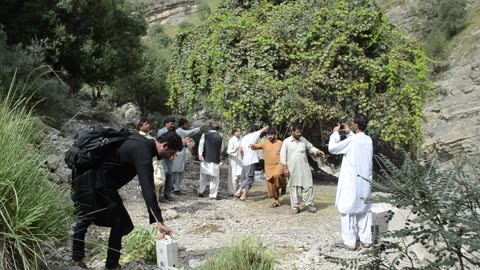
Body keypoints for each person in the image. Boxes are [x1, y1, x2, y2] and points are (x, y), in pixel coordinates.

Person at [71, 131, 183, 270]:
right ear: (165, 145)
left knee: (86, 217)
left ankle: (78, 259)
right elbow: (148, 189)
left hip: (87, 177)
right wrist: (159, 221)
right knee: (120, 223)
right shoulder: (143, 152)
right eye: (171, 153)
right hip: (98, 183)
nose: (171, 157)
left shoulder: (139, 141)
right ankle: (110, 265)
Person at [328, 114, 373, 251]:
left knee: (346, 208)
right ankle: (366, 240)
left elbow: (332, 148)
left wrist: (335, 134)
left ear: (356, 125)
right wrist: (349, 133)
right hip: (365, 181)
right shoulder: (368, 140)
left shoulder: (353, 141)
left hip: (351, 180)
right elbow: (356, 141)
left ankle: (350, 242)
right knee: (364, 209)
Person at [280, 124, 325, 214]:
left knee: (308, 186)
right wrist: (285, 168)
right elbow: (282, 156)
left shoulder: (303, 140)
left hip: (304, 167)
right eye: (297, 132)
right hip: (292, 168)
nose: (299, 133)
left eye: (300, 132)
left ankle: (309, 205)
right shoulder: (287, 142)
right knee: (293, 187)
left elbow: (310, 147)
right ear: (292, 132)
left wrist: (318, 151)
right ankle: (295, 207)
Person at [250, 128, 285, 208]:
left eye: (272, 135)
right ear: (267, 136)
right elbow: (256, 146)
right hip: (268, 167)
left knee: (277, 175)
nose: (270, 136)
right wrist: (252, 146)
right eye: (269, 135)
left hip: (279, 165)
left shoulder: (280, 143)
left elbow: (287, 149)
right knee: (271, 185)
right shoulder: (265, 143)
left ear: (275, 135)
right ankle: (277, 201)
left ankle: (283, 184)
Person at [234, 125, 269, 201]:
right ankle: (239, 191)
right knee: (250, 178)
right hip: (251, 160)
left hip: (245, 161)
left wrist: (243, 159)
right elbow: (264, 129)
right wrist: (268, 126)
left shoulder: (244, 137)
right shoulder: (254, 135)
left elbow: (241, 150)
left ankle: (243, 195)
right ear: (255, 131)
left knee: (245, 178)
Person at [136, 119, 165, 202]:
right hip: (147, 163)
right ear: (140, 126)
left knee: (159, 182)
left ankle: (154, 203)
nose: (148, 125)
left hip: (156, 162)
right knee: (156, 182)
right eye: (146, 124)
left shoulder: (151, 137)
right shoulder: (138, 138)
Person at [171, 118, 200, 195]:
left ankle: (174, 186)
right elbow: (190, 132)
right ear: (182, 125)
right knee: (178, 171)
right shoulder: (180, 131)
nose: (187, 126)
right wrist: (199, 128)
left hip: (179, 152)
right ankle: (176, 188)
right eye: (186, 125)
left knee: (177, 171)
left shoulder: (178, 131)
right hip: (179, 153)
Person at [198, 124, 223, 199]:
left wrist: (200, 154)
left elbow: (201, 145)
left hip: (205, 157)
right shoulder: (220, 137)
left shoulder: (205, 135)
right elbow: (221, 149)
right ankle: (212, 194)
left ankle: (201, 191)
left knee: (203, 175)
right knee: (214, 177)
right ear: (217, 129)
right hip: (215, 158)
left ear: (210, 128)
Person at [157, 116, 176, 201]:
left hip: (171, 157)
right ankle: (160, 195)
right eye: (171, 124)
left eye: (173, 124)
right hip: (163, 157)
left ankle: (167, 194)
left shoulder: (173, 131)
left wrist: (174, 153)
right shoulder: (161, 132)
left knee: (170, 175)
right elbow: (160, 145)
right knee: (163, 174)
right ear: (166, 124)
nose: (173, 125)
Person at [226, 126, 242, 196]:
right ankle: (232, 192)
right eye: (238, 131)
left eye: (240, 131)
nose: (239, 132)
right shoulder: (232, 140)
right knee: (234, 177)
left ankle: (240, 191)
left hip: (241, 160)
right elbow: (228, 151)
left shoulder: (242, 139)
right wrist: (235, 150)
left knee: (241, 176)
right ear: (234, 132)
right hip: (234, 161)